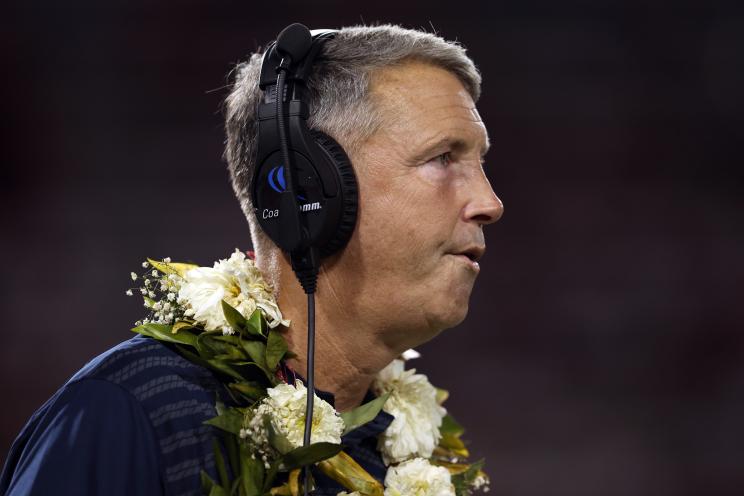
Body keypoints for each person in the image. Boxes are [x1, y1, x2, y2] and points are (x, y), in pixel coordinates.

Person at [1, 23, 502, 495]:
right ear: (309, 190)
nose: (490, 203)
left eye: (479, 163)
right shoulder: (136, 414)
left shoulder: (417, 455)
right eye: (442, 158)